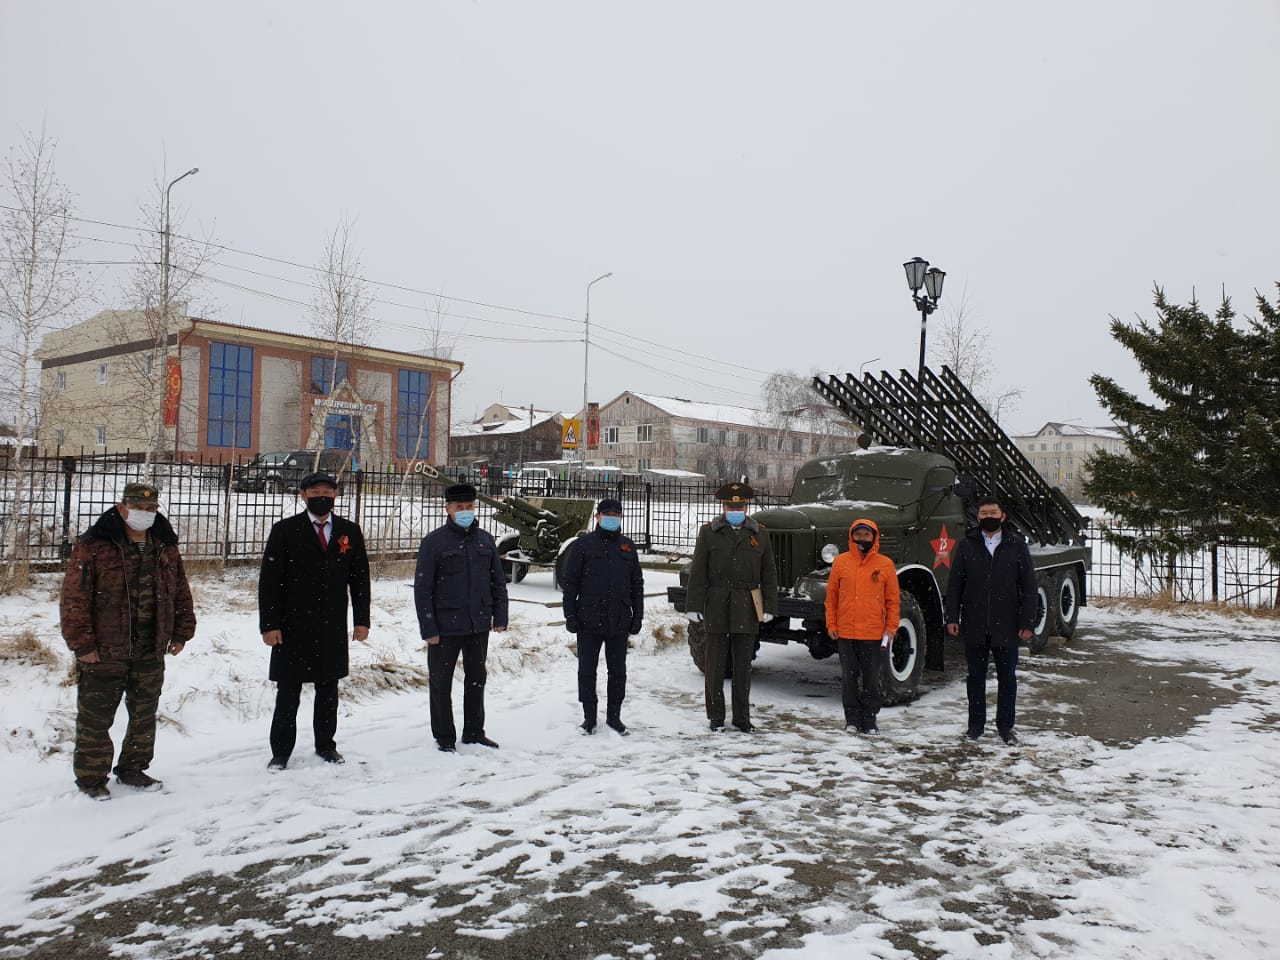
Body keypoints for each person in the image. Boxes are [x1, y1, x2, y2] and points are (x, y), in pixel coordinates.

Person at [59, 481, 196, 800]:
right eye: (138, 508)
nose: (144, 514)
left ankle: (133, 767)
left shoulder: (164, 544)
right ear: (122, 508)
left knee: (144, 713)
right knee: (96, 715)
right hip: (106, 648)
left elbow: (180, 591)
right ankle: (91, 777)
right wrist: (83, 644)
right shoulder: (95, 544)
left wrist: (181, 631)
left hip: (150, 646)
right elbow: (73, 598)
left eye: (150, 509)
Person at [259, 472, 371, 769]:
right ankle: (281, 751)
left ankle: (326, 745)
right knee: (288, 691)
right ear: (303, 495)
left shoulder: (349, 531)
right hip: (292, 624)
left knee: (328, 689)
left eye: (327, 491)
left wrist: (362, 620)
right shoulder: (285, 530)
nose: (322, 495)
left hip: (331, 623)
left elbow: (359, 579)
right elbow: (269, 581)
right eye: (315, 491)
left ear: (336, 495)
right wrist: (269, 625)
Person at [414, 482, 509, 752]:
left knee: (476, 678)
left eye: (469, 507)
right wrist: (428, 627)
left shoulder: (485, 540)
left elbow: (497, 581)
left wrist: (500, 615)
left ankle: (474, 731)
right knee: (441, 683)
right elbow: (423, 589)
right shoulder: (435, 542)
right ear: (448, 509)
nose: (465, 511)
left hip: (477, 623)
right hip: (444, 627)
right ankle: (444, 737)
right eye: (459, 507)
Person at [684, 481, 778, 733]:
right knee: (714, 667)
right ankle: (716, 716)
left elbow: (769, 573)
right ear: (723, 507)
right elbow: (698, 572)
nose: (735, 509)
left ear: (746, 507)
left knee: (742, 668)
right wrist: (693, 604)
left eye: (740, 506)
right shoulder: (709, 533)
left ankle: (742, 718)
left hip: (746, 606)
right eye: (729, 506)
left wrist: (769, 605)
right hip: (716, 603)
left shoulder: (760, 534)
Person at [944, 495, 1037, 746]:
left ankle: (1006, 727)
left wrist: (1028, 622)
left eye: (993, 513)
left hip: (1007, 624)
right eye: (984, 514)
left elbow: (1029, 586)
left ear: (1002, 516)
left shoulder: (1016, 545)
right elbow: (955, 584)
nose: (988, 517)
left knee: (1007, 678)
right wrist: (952, 616)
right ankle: (975, 726)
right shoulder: (967, 545)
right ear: (978, 517)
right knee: (975, 678)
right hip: (975, 624)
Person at [560, 498, 645, 735]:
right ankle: (589, 716)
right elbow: (571, 582)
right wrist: (570, 614)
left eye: (616, 515)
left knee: (618, 671)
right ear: (597, 517)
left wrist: (637, 615)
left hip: (619, 619)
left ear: (621, 518)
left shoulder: (627, 547)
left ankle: (614, 716)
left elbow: (636, 583)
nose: (611, 518)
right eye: (606, 514)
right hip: (589, 618)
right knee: (587, 670)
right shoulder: (583, 545)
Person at [824, 518, 901, 735]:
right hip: (846, 631)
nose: (862, 539)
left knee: (871, 678)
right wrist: (831, 623)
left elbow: (892, 600)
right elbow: (832, 597)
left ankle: (870, 719)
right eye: (858, 534)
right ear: (852, 536)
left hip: (873, 632)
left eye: (867, 535)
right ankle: (852, 719)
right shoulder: (841, 562)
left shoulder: (885, 564)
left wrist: (891, 627)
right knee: (849, 678)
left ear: (874, 537)